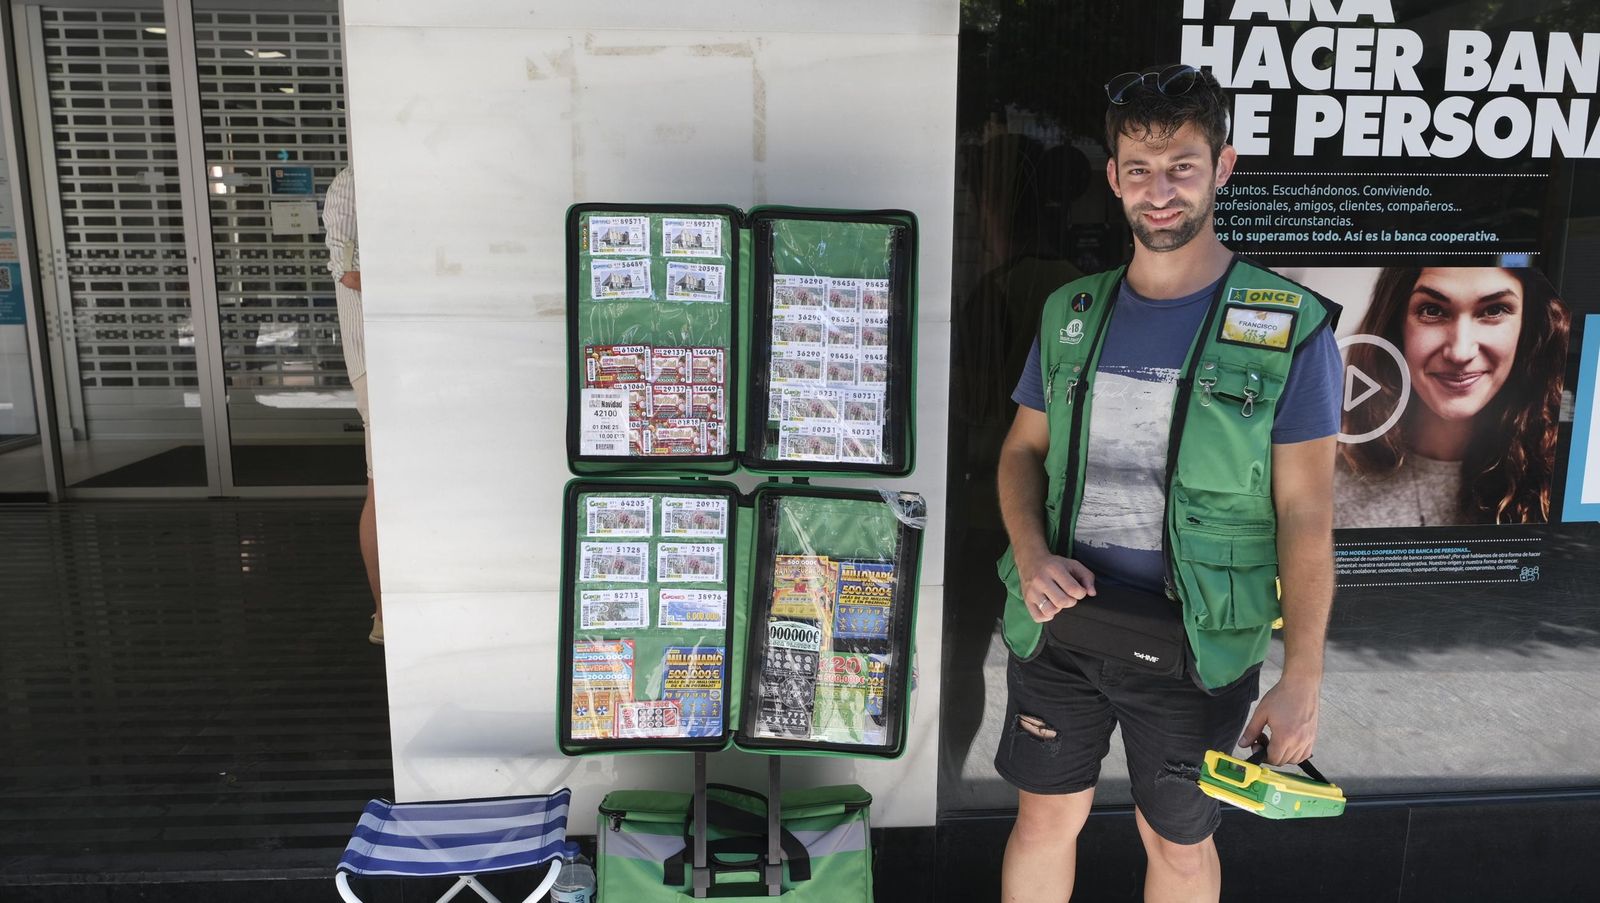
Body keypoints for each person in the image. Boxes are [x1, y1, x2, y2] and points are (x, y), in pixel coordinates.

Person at [993, 64, 1343, 902]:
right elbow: (1019, 453)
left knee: (1178, 842)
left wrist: (1302, 676)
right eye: (1140, 169)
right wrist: (1032, 556)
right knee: (1043, 819)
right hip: (1061, 630)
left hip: (1198, 643)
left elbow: (1305, 512)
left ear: (1223, 167)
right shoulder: (1072, 311)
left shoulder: (1288, 326)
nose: (1160, 191)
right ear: (1114, 178)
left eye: (1182, 166)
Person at [1336, 267, 1569, 528]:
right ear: (1396, 325)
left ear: (1530, 325)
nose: (1460, 352)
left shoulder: (1571, 477)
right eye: (1432, 311)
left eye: (1494, 310)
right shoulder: (1326, 481)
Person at [324, 165, 383, 645]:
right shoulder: (352, 182)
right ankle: (384, 613)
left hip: (425, 357)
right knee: (382, 485)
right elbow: (349, 273)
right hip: (377, 361)